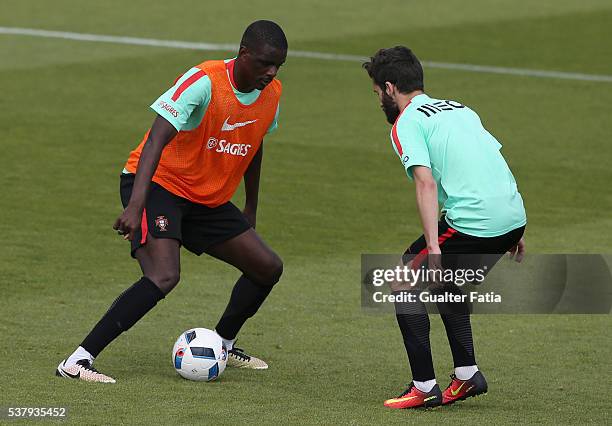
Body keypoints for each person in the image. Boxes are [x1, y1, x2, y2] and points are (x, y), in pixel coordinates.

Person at [56, 20, 288, 383]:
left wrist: (250, 206)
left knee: (267, 267)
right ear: (243, 54)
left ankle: (223, 345)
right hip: (158, 186)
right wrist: (136, 204)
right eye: (264, 63)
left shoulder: (272, 93)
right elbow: (155, 140)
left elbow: (255, 144)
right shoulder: (204, 81)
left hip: (205, 198)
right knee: (164, 275)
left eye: (277, 66)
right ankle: (78, 360)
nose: (270, 72)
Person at [363, 46, 527, 409]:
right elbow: (492, 159)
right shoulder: (460, 108)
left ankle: (423, 387)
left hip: (476, 222)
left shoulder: (407, 122)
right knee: (445, 281)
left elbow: (425, 183)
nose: (379, 102)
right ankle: (467, 376)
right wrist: (516, 228)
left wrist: (434, 247)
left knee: (403, 278)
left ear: (390, 88)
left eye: (377, 94)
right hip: (512, 215)